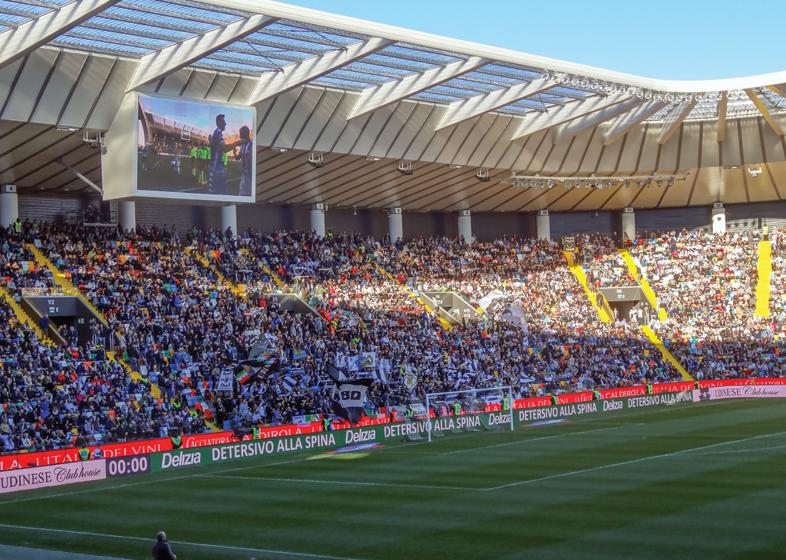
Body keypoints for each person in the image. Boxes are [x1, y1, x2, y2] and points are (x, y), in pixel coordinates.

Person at [235, 125, 254, 196]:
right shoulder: (242, 145)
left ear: (246, 134)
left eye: (241, 135)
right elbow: (237, 158)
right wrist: (234, 152)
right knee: (242, 195)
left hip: (250, 177)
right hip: (244, 176)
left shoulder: (252, 145)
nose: (239, 137)